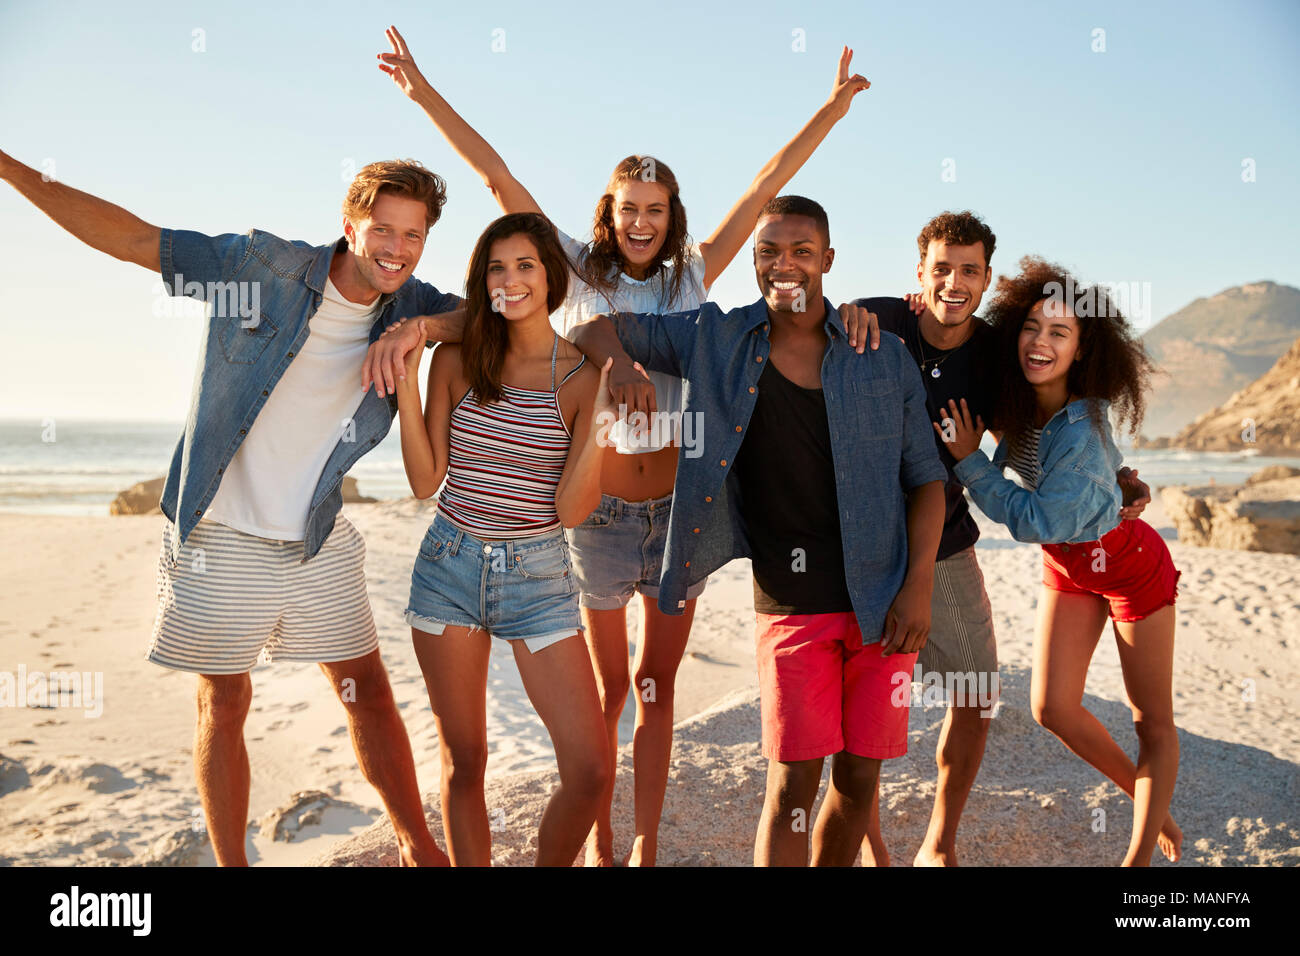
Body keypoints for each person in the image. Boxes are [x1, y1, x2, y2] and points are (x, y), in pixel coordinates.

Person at [367, 24, 872, 867]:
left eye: (656, 209)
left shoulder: (695, 275)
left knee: (658, 687)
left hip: (678, 514)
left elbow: (768, 182)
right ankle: (599, 843)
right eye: (628, 207)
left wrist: (829, 109)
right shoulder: (568, 269)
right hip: (593, 517)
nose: (641, 221)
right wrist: (421, 93)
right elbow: (497, 177)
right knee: (605, 693)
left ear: (671, 218)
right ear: (610, 212)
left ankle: (642, 846)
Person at [0, 148, 462, 866]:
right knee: (226, 702)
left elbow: (500, 316)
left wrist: (422, 330)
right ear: (349, 223)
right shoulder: (260, 269)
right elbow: (129, 238)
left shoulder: (414, 304)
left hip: (315, 531)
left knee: (366, 689)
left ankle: (418, 846)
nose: (396, 249)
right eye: (383, 229)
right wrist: (12, 170)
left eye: (413, 236)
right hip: (221, 528)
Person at [567, 196, 947, 866]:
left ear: (828, 261)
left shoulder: (879, 355)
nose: (785, 264)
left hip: (883, 603)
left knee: (859, 781)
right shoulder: (715, 338)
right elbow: (596, 325)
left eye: (802, 251)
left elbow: (926, 480)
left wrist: (918, 588)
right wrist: (620, 366)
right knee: (792, 785)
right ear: (753, 262)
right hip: (789, 602)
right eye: (769, 252)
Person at [847, 211, 1153, 866]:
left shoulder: (998, 355)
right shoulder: (875, 321)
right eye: (941, 269)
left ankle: (939, 844)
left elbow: (1059, 418)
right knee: (864, 705)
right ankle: (871, 848)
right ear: (918, 272)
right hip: (859, 540)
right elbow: (798, 343)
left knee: (976, 692)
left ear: (987, 278)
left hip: (948, 541)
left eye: (969, 270)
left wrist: (1115, 475)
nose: (953, 283)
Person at [940, 256, 1182, 866]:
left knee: (1150, 720)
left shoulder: (1078, 423)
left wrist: (971, 462)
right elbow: (1104, 461)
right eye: (1031, 326)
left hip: (1129, 567)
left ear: (1083, 350)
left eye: (1060, 332)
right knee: (1052, 708)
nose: (1040, 341)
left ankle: (1138, 860)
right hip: (1071, 565)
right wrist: (1123, 478)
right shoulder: (1017, 399)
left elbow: (1036, 519)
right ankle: (1146, 794)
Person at [395, 212, 615, 866]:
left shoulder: (580, 378)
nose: (511, 279)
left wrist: (600, 419)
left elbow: (573, 510)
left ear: (551, 276)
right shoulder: (457, 362)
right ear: (481, 280)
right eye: (497, 267)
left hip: (539, 577)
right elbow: (424, 480)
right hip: (448, 566)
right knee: (467, 759)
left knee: (591, 771)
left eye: (526, 265)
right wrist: (408, 379)